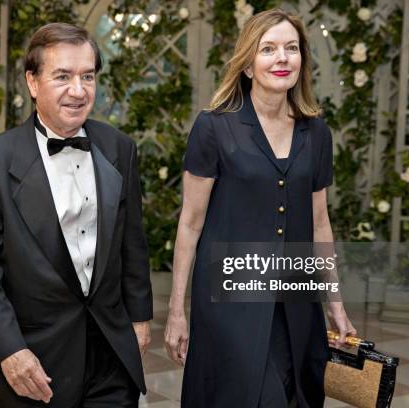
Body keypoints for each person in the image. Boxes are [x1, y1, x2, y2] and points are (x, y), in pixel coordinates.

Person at [0, 22, 152, 408]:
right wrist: (9, 351)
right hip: (35, 363)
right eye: (62, 76)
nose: (78, 91)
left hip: (111, 355)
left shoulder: (119, 148)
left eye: (87, 76)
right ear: (32, 81)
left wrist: (140, 319)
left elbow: (132, 242)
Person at [164, 9, 356, 408]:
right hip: (229, 302)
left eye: (290, 48)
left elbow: (320, 225)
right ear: (248, 64)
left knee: (295, 395)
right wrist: (176, 311)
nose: (281, 58)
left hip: (297, 302)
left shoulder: (316, 132)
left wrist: (335, 304)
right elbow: (190, 224)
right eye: (268, 49)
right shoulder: (214, 127)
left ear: (302, 59)